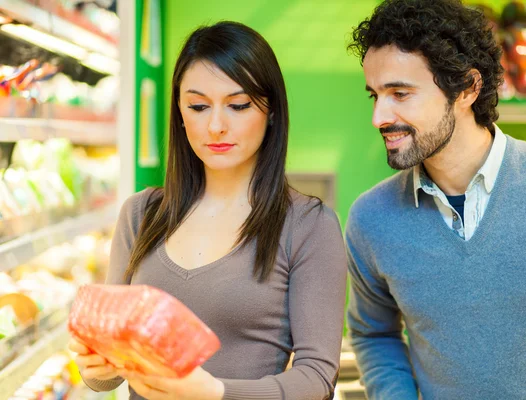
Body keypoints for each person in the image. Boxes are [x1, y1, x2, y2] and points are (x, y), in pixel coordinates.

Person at [69, 21, 347, 400]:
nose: (216, 125)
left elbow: (316, 379)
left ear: (271, 112)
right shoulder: (140, 214)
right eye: (198, 106)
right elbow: (108, 375)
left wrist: (214, 392)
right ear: (180, 114)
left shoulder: (308, 225)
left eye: (238, 105)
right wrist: (96, 367)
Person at [344, 1, 526, 399]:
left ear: (467, 88)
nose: (379, 116)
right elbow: (373, 333)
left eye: (400, 93)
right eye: (374, 95)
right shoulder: (371, 219)